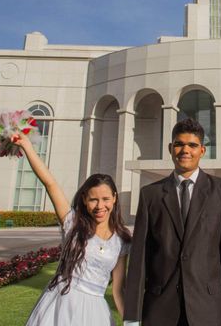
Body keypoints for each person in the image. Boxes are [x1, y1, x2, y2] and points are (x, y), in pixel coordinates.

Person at [124, 118, 221, 326]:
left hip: (209, 309)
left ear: (202, 150)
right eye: (179, 144)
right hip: (159, 310)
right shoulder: (150, 195)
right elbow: (139, 259)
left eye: (192, 145)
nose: (185, 150)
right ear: (170, 149)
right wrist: (131, 317)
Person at [11, 133, 131, 326]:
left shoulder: (122, 240)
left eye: (106, 199)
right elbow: (50, 184)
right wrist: (26, 146)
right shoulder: (72, 223)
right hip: (61, 302)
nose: (100, 206)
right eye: (93, 199)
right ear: (84, 199)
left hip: (95, 311)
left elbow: (118, 289)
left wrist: (130, 323)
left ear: (114, 198)